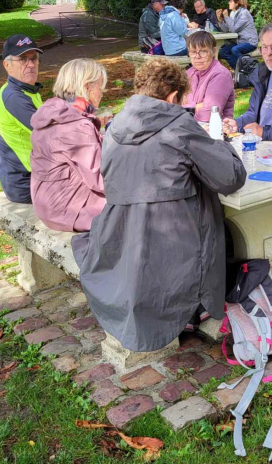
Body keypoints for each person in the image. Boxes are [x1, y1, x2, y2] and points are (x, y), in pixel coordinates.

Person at [71, 58, 247, 351]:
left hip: (123, 231)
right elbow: (230, 178)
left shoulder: (115, 125)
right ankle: (197, 303)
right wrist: (221, 142)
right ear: (174, 97)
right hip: (175, 237)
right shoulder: (179, 124)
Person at [29, 59, 109, 233]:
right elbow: (101, 180)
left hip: (47, 202)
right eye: (100, 88)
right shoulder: (77, 126)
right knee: (142, 207)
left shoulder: (53, 111)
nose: (102, 93)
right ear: (87, 87)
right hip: (68, 209)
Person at [0, 34, 43, 204]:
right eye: (23, 60)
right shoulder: (13, 97)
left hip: (36, 177)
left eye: (34, 58)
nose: (30, 64)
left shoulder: (26, 91)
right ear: (7, 65)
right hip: (25, 184)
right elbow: (53, 134)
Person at [183, 31, 235, 124]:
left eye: (203, 51)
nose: (197, 57)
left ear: (213, 51)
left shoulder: (220, 75)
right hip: (188, 128)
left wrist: (185, 107)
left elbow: (209, 113)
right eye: (193, 52)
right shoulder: (188, 73)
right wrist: (196, 107)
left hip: (213, 130)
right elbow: (172, 104)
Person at [216, 0, 259, 70]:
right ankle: (239, 70)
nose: (228, 3)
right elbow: (227, 30)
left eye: (230, 1)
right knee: (222, 52)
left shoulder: (244, 13)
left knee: (234, 50)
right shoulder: (233, 13)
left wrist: (226, 16)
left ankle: (248, 69)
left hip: (249, 42)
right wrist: (220, 21)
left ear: (236, 3)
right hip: (239, 42)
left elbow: (234, 29)